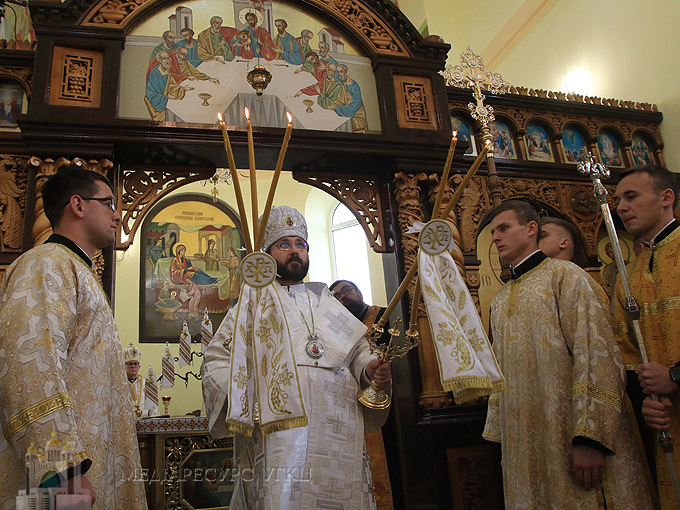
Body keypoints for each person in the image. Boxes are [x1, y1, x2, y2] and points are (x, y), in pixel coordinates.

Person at [202, 205, 391, 509]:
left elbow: (357, 352)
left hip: (337, 428)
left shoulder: (328, 303)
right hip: (279, 434)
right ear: (267, 253)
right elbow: (217, 361)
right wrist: (245, 394)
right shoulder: (250, 306)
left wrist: (369, 370)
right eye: (284, 244)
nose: (294, 251)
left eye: (300, 244)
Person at [483, 199, 653, 509]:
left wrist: (590, 438)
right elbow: (500, 369)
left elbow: (596, 353)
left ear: (531, 228)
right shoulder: (501, 297)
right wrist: (502, 431)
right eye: (493, 231)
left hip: (572, 435)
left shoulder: (565, 276)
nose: (495, 237)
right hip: (524, 440)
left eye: (503, 228)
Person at [0, 167, 147, 509]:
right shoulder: (46, 264)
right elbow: (29, 366)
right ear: (78, 205)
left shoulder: (77, 269)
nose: (117, 215)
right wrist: (62, 470)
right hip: (63, 479)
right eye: (109, 204)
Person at [612, 164, 680, 509]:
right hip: (668, 418)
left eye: (631, 196)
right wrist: (647, 399)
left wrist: (675, 377)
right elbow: (627, 349)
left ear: (666, 197)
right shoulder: (631, 272)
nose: (621, 207)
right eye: (618, 200)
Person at [329, 279, 397, 509]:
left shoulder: (386, 316)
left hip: (391, 403)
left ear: (359, 291)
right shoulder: (337, 330)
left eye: (346, 291)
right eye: (336, 296)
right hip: (353, 406)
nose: (342, 297)